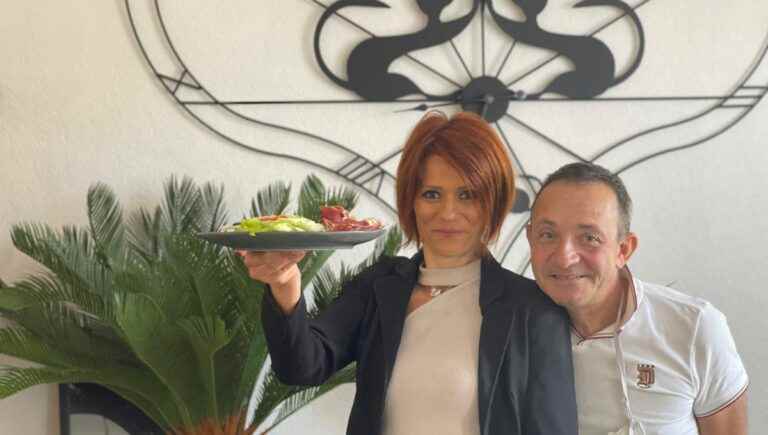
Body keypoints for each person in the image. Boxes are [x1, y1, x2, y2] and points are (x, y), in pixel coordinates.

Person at [242, 111, 578, 435]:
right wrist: (285, 286)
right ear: (411, 201)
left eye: (467, 195)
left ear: (493, 202)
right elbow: (301, 367)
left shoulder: (533, 310)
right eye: (432, 194)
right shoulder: (379, 286)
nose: (448, 212)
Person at [526, 162, 749, 435]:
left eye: (589, 238)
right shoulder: (511, 329)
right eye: (547, 235)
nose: (564, 257)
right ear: (530, 240)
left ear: (623, 249)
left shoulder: (695, 328)